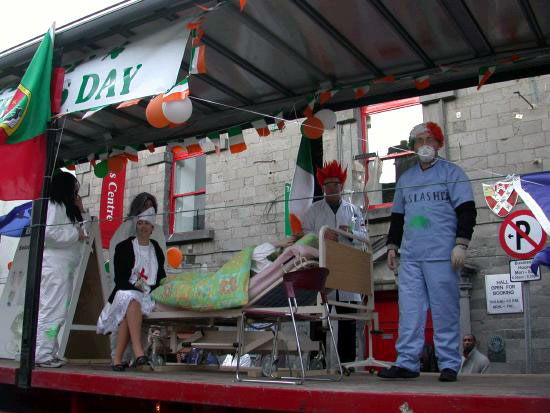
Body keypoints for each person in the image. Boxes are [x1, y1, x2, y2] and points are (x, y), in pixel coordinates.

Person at [378, 122, 477, 382]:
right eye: (419, 141)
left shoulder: (452, 173)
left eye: (429, 139)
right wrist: (392, 246)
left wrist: (461, 243)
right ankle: (407, 362)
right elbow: (398, 216)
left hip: (443, 254)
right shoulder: (406, 180)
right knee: (409, 311)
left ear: (438, 143)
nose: (424, 145)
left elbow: (467, 209)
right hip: (411, 257)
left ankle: (449, 364)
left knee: (445, 311)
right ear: (412, 148)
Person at [301, 160, 365, 364]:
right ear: (322, 187)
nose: (331, 188)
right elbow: (304, 237)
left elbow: (365, 236)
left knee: (348, 321)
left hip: (346, 273)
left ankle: (347, 364)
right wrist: (321, 238)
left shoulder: (353, 210)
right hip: (322, 270)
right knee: (317, 319)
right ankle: (316, 360)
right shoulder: (313, 211)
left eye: (335, 184)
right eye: (327, 184)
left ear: (342, 185)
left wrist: (351, 232)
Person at [96, 207, 166, 371]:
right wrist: (134, 286)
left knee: (131, 309)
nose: (143, 227)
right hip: (124, 292)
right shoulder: (123, 247)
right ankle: (138, 352)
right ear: (136, 226)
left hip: (148, 295)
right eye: (140, 223)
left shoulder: (155, 248)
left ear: (152, 229)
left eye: (146, 224)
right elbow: (119, 279)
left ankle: (117, 359)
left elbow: (160, 275)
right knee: (132, 298)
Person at [35, 172, 87, 368]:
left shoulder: (66, 208)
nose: (76, 193)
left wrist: (80, 211)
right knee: (52, 310)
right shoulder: (54, 205)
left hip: (63, 267)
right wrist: (75, 234)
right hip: (55, 267)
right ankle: (42, 353)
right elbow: (48, 233)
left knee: (57, 311)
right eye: (74, 189)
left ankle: (49, 350)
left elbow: (83, 232)